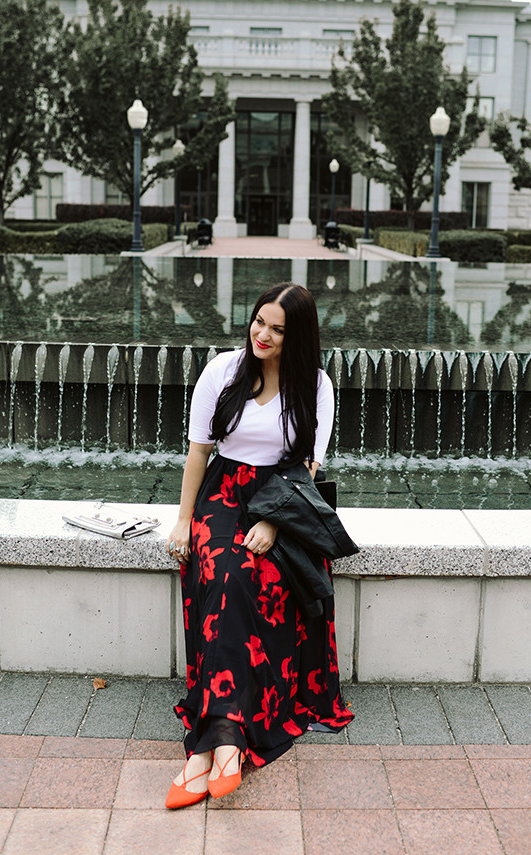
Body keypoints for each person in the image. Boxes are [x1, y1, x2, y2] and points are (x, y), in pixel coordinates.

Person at [164, 281, 354, 809]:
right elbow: (199, 451)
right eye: (258, 321)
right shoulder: (223, 370)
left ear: (298, 339)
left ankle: (210, 746)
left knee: (251, 576)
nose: (262, 335)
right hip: (222, 494)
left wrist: (273, 523)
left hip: (284, 499)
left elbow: (307, 468)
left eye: (277, 329)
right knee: (224, 571)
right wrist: (183, 520)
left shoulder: (315, 387)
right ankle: (223, 742)